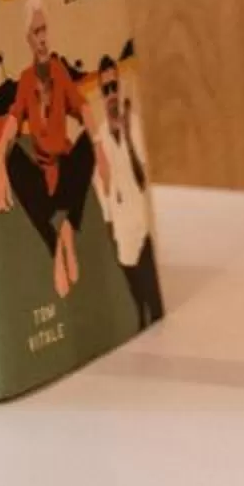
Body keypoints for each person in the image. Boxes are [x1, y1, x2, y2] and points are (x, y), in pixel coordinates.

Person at [0, 0, 102, 299]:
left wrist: (101, 151)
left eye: (44, 30)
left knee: (89, 144)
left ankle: (69, 227)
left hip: (66, 176)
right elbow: (12, 123)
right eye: (36, 32)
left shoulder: (59, 72)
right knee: (11, 160)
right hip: (43, 180)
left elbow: (84, 109)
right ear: (28, 38)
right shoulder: (26, 81)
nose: (42, 38)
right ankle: (55, 244)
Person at [89, 54, 162, 327]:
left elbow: (142, 180)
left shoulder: (135, 123)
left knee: (154, 309)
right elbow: (103, 193)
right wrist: (111, 235)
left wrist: (128, 137)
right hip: (122, 238)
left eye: (113, 87)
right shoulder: (100, 136)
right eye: (105, 89)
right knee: (138, 309)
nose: (110, 95)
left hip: (142, 230)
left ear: (119, 87)